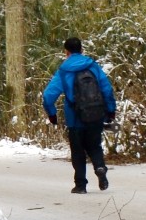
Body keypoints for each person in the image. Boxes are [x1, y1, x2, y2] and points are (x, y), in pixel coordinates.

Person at [41, 37, 117, 194]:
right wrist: (110, 110)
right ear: (82, 50)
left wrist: (52, 114)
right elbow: (107, 89)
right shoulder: (93, 66)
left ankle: (80, 185)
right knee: (95, 146)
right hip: (96, 114)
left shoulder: (63, 71)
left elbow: (48, 95)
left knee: (78, 151)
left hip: (75, 119)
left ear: (66, 52)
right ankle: (100, 167)